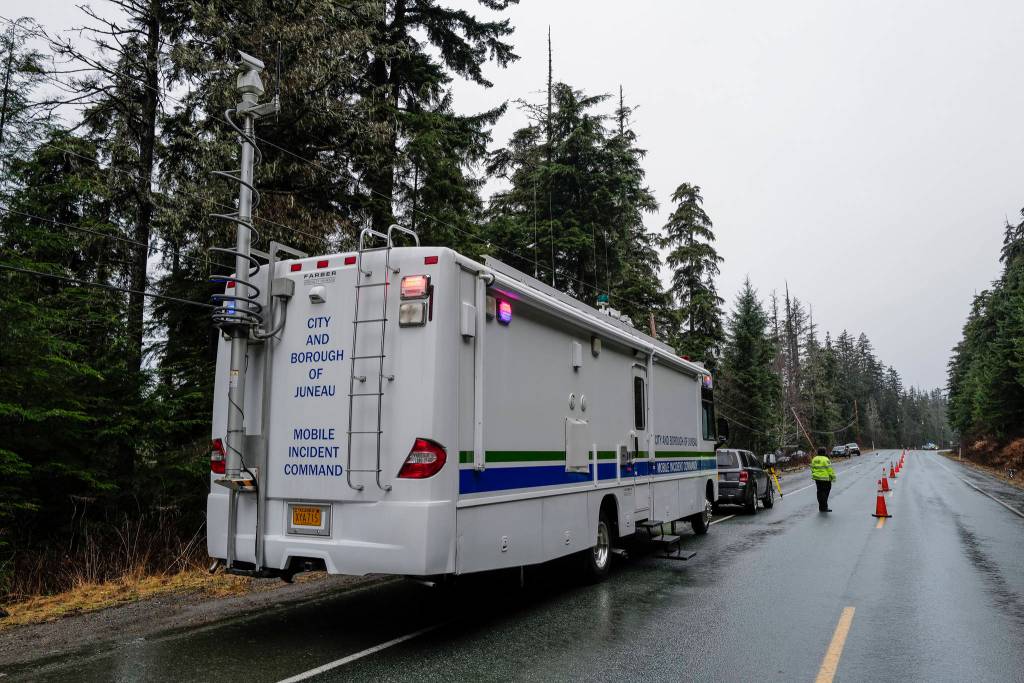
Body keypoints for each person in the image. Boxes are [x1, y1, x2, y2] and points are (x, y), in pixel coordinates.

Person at [811, 446, 836, 512]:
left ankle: (821, 507)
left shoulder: (814, 459)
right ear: (824, 452)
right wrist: (833, 477)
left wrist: (814, 474)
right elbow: (829, 469)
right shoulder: (825, 459)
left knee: (819, 492)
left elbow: (812, 468)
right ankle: (824, 507)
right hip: (825, 479)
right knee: (825, 492)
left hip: (817, 478)